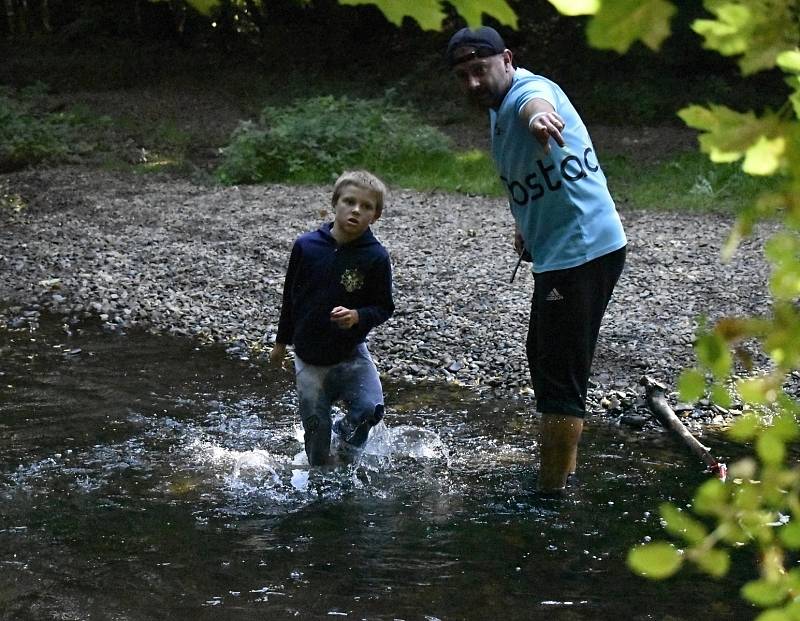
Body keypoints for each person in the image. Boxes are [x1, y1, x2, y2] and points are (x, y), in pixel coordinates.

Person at [446, 26, 627, 494]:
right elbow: (531, 174)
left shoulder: (529, 91)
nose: (472, 83)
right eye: (463, 75)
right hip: (559, 250)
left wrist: (542, 122)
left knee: (558, 379)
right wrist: (526, 225)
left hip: (582, 250)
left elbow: (537, 109)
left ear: (506, 60)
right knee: (545, 360)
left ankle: (549, 499)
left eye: (480, 70)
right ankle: (563, 473)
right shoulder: (495, 108)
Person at [269, 170, 394, 466]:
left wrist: (357, 316)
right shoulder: (306, 247)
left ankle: (348, 452)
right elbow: (290, 298)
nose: (356, 210)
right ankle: (319, 485)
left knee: (369, 409)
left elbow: (384, 306)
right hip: (309, 359)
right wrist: (280, 342)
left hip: (351, 354)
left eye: (366, 207)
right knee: (316, 436)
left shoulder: (376, 256)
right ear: (334, 204)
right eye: (349, 202)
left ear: (375, 216)